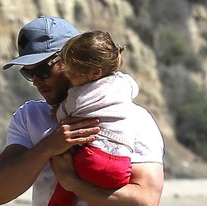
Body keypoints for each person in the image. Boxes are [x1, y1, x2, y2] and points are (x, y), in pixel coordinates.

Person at [0, 16, 165, 206]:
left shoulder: (132, 118)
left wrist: (72, 183)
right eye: (29, 73)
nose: (37, 80)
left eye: (42, 70)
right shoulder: (29, 116)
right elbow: (0, 194)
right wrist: (48, 146)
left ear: (71, 59)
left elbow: (146, 200)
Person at [48, 30, 139, 206]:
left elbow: (62, 116)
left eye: (72, 72)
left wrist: (57, 112)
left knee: (63, 189)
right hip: (121, 165)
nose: (67, 76)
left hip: (91, 159)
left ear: (95, 73)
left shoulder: (76, 96)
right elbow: (134, 89)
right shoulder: (125, 84)